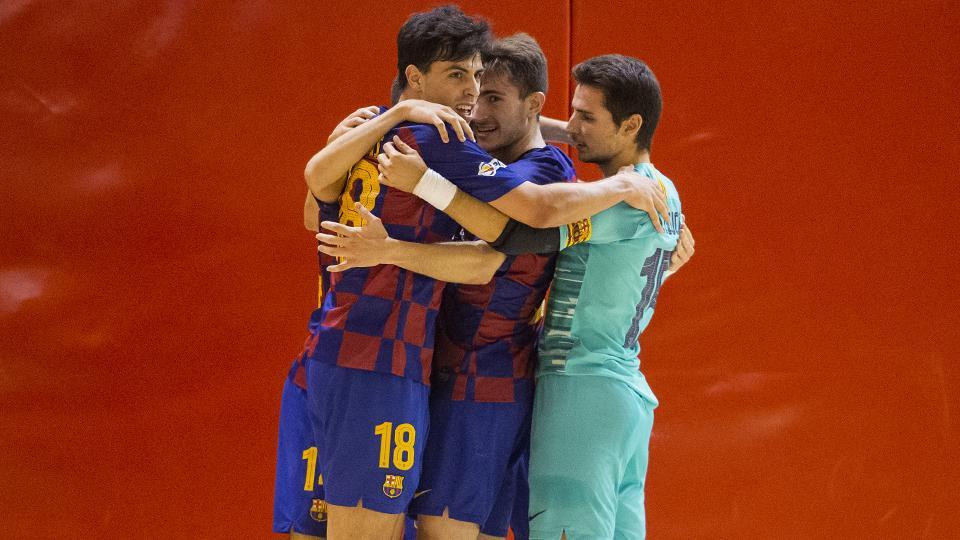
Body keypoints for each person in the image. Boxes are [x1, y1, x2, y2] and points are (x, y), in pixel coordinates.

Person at [300, 5, 669, 538]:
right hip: (407, 366)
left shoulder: (530, 170)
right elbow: (314, 207)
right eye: (465, 80)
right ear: (417, 79)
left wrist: (396, 217)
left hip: (479, 384)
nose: (474, 105)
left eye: (487, 91)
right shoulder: (442, 141)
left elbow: (501, 245)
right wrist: (392, 119)